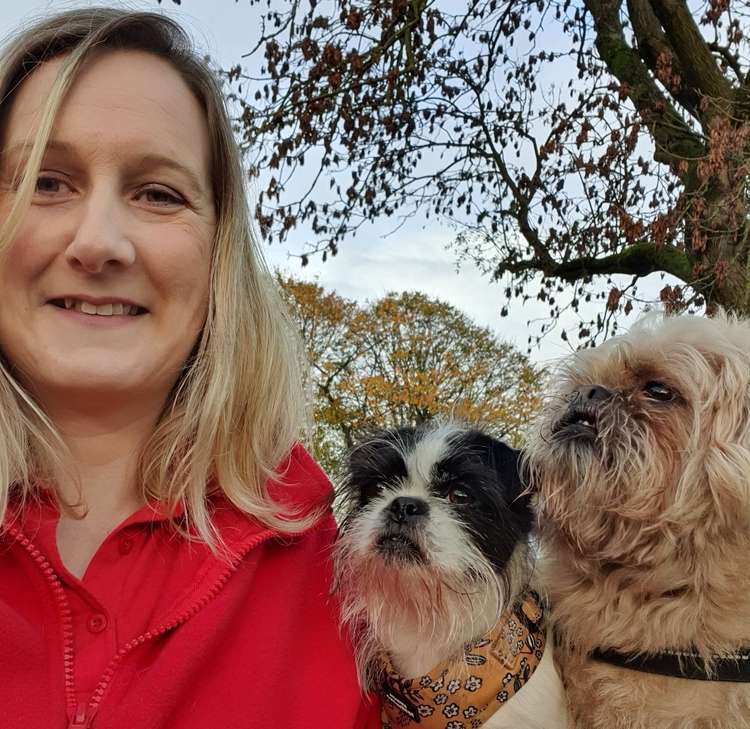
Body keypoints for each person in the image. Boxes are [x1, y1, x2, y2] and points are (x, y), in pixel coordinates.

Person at [0, 8, 380, 728]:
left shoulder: (353, 579)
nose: (99, 242)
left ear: (219, 252)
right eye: (46, 182)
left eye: (157, 193)